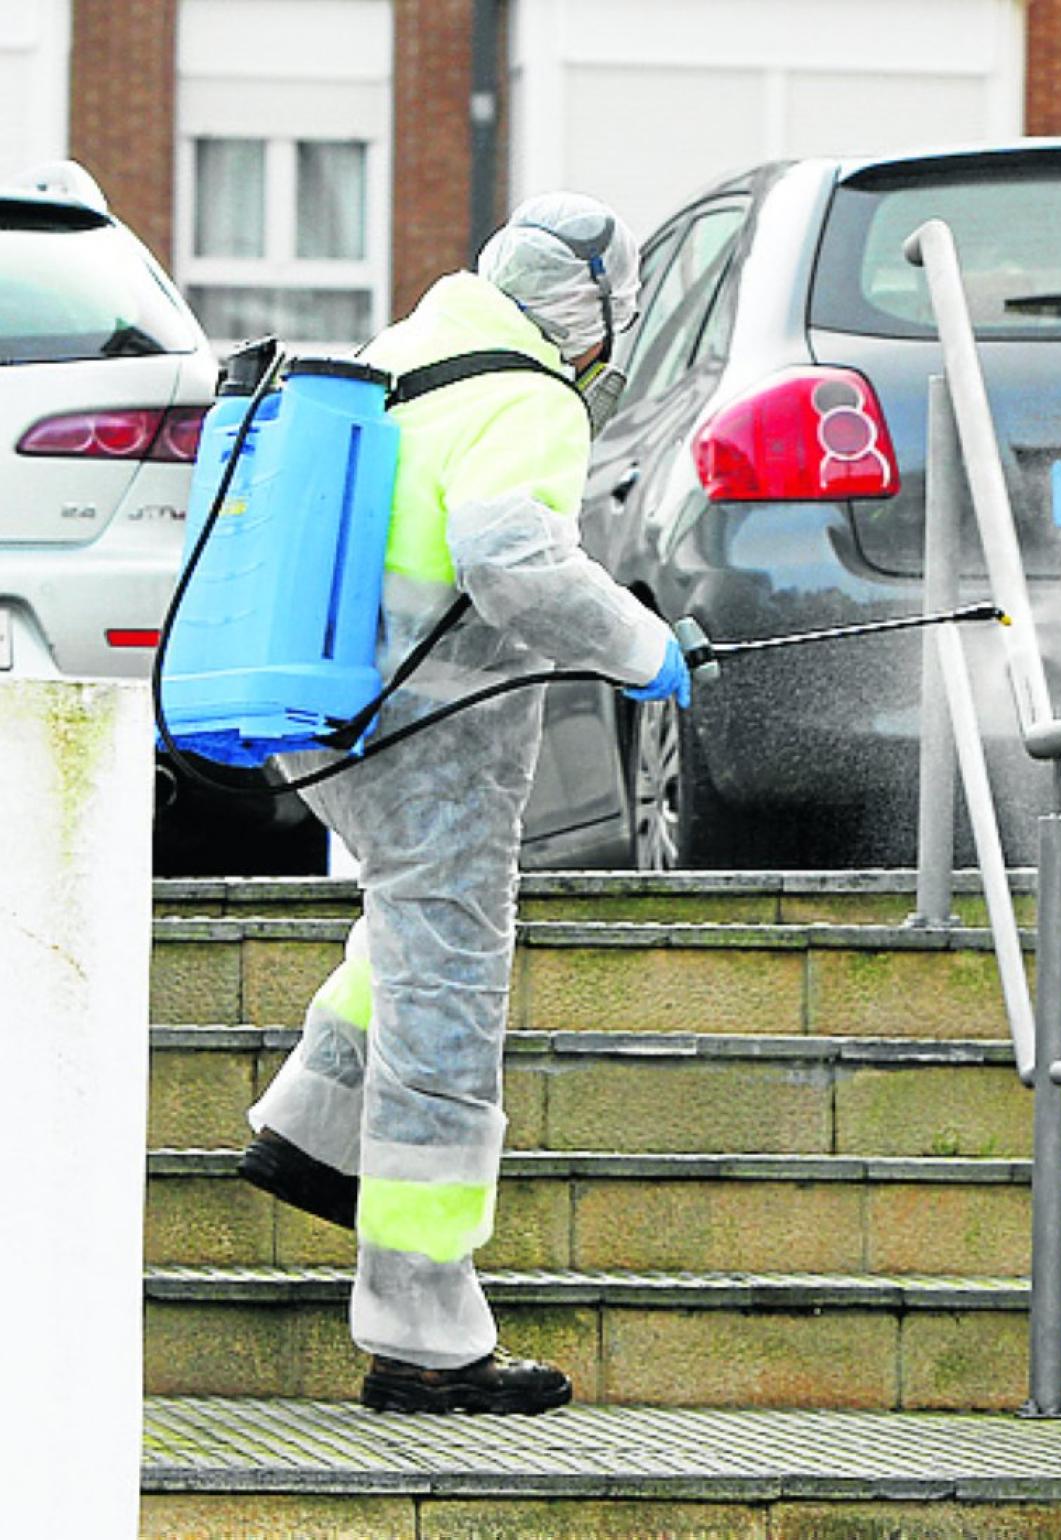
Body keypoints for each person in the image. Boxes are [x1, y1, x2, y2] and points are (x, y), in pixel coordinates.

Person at [236, 192, 690, 1415]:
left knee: (403, 931)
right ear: (591, 310)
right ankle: (423, 1335)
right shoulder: (530, 393)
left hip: (334, 720)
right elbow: (510, 556)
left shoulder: (405, 355)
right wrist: (641, 645)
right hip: (439, 740)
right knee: (448, 1000)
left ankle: (313, 1130)